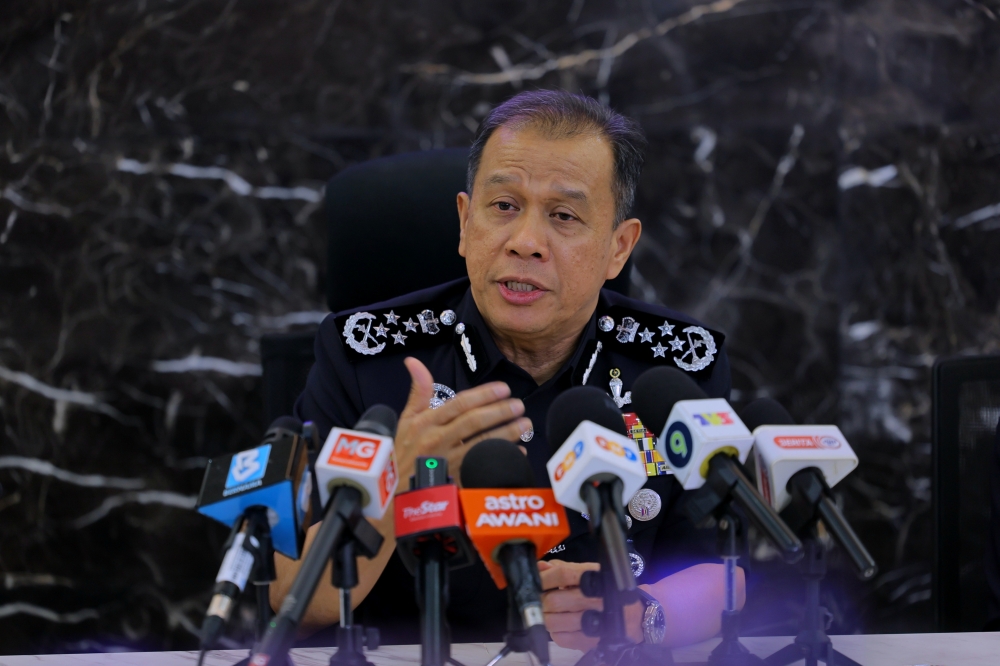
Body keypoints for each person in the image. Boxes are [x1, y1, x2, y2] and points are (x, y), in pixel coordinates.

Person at [271, 90, 746, 651]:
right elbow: (288, 598)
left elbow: (728, 576)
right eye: (503, 207)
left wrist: (643, 615)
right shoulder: (364, 360)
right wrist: (391, 479)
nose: (525, 243)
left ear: (618, 247)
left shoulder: (675, 368)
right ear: (465, 221)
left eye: (564, 216)